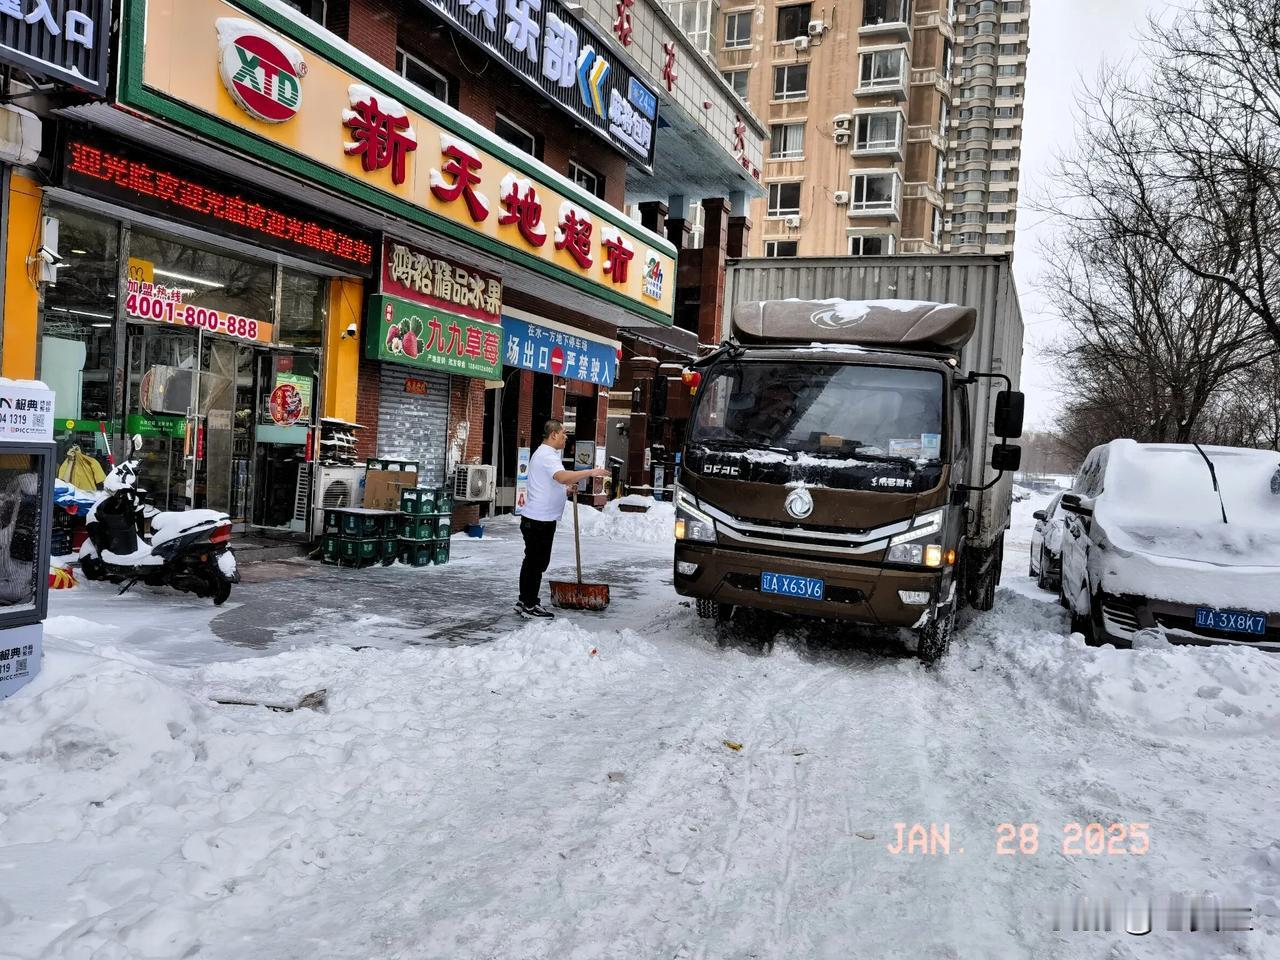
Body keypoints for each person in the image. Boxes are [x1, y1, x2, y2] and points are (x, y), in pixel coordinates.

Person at [516, 419, 608, 619]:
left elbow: (551, 484)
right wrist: (592, 472)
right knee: (536, 563)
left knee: (533, 562)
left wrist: (564, 491)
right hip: (539, 520)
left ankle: (525, 600)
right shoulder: (548, 455)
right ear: (553, 435)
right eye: (564, 433)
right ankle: (529, 605)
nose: (566, 437)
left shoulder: (544, 454)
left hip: (538, 518)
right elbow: (562, 477)